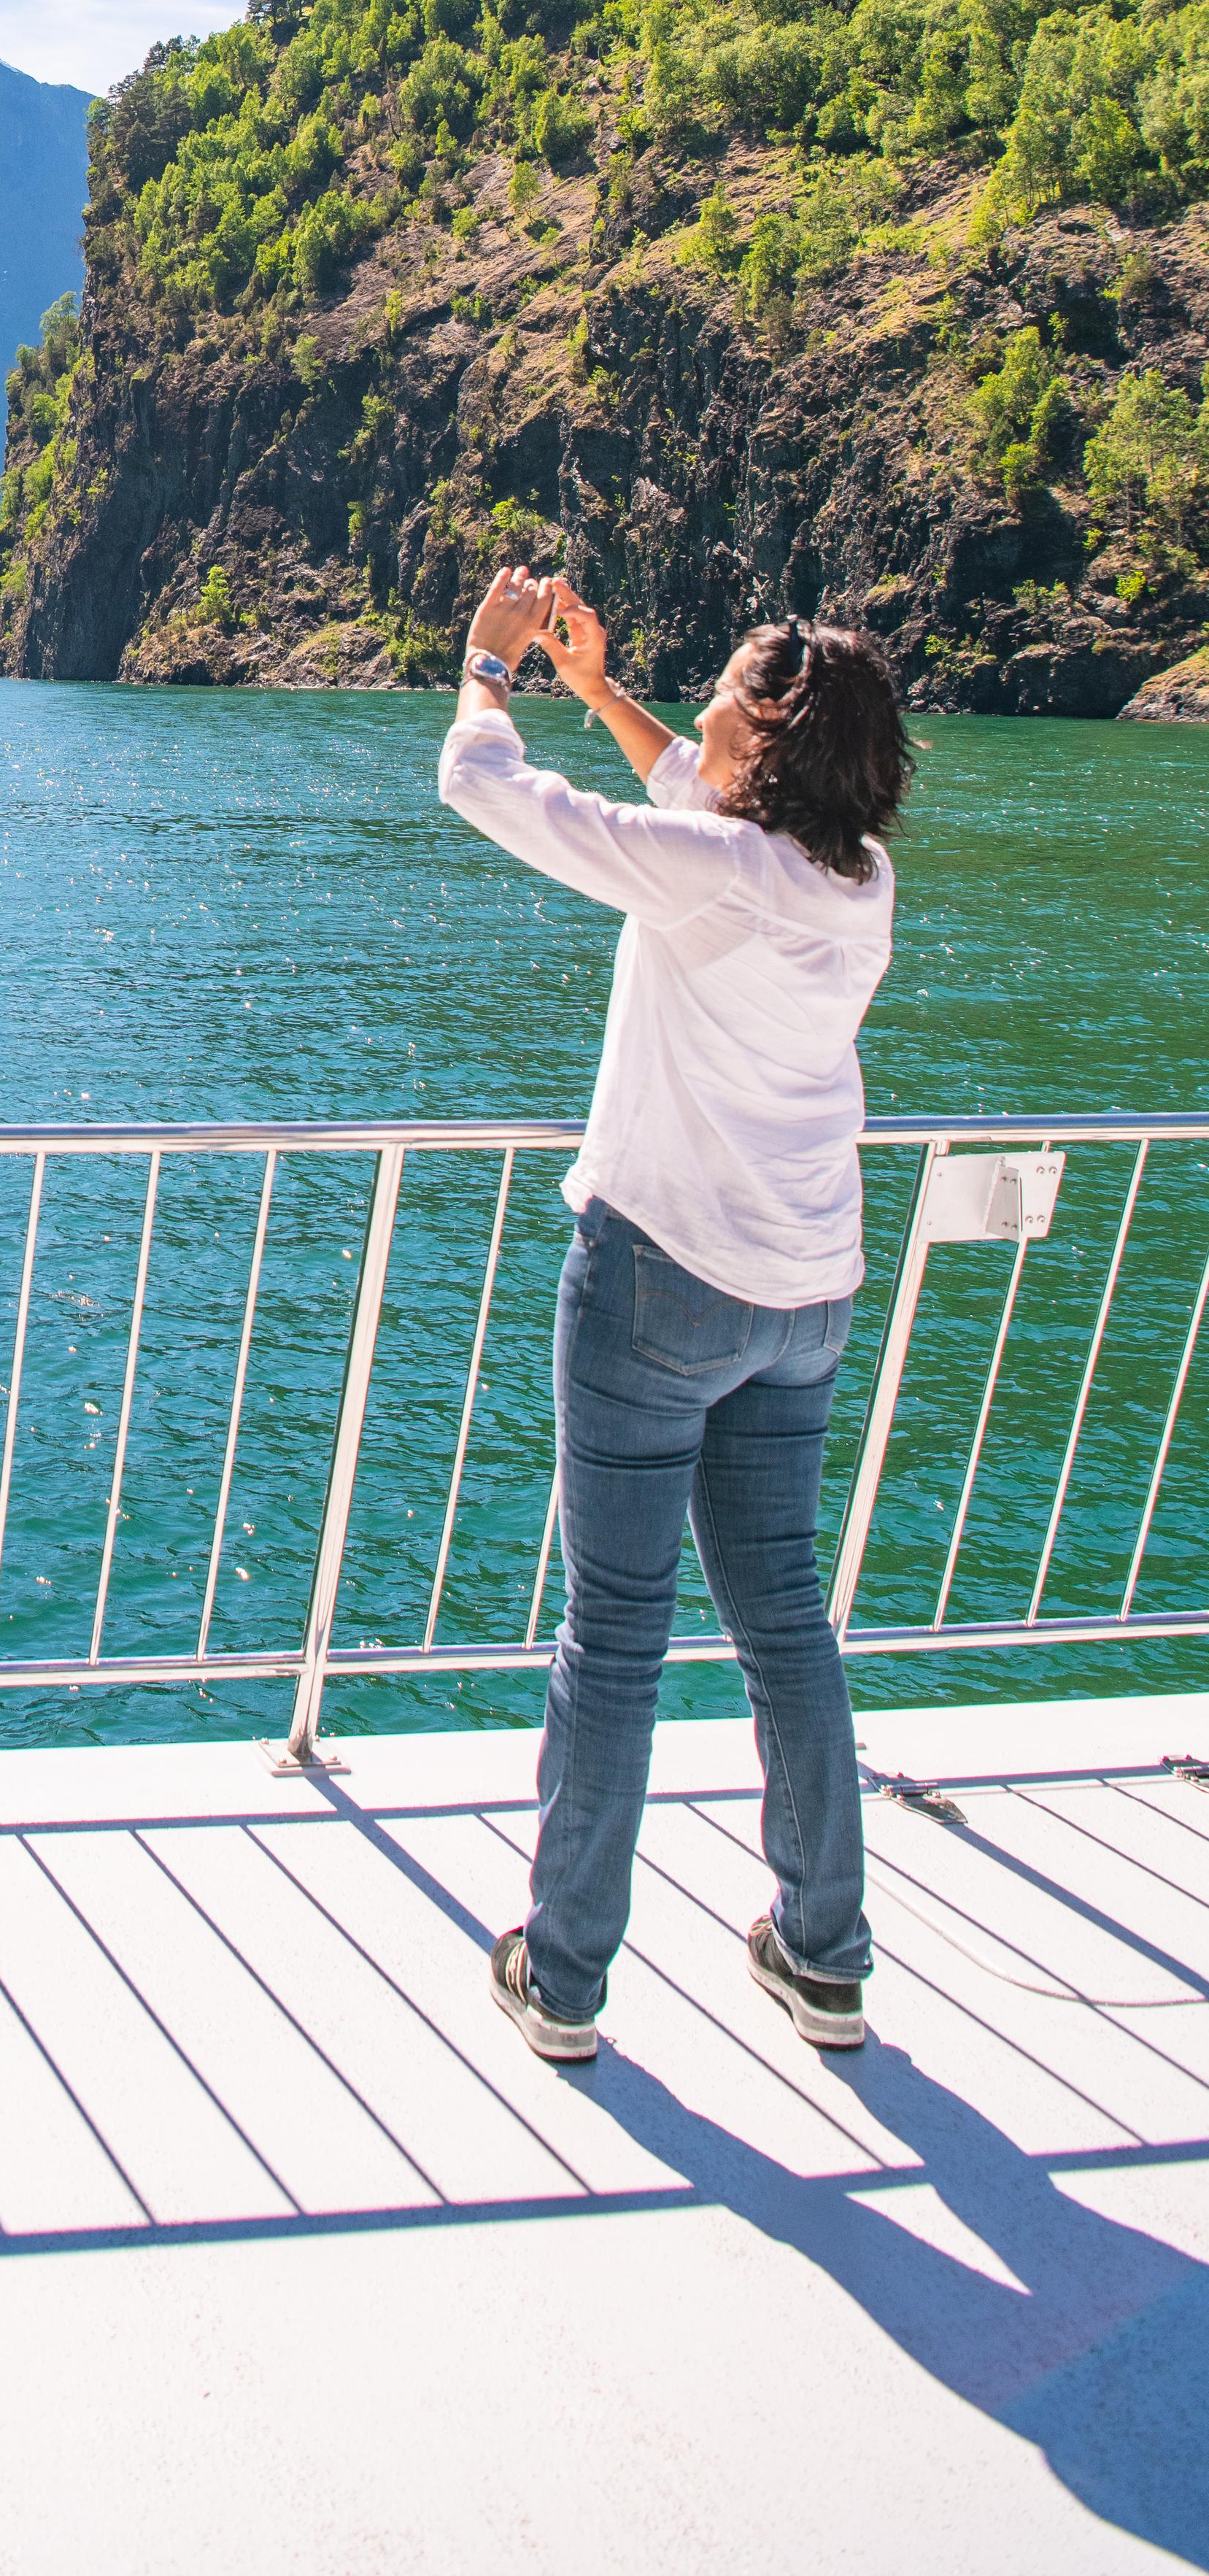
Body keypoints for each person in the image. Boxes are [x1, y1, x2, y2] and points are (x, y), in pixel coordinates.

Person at [438, 564, 913, 2065]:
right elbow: (689, 789)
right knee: (785, 1624)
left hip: (659, 1290)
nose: (700, 698)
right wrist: (600, 683)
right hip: (806, 1299)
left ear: (766, 732)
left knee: (616, 1641)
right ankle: (824, 1956)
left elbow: (484, 786)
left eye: (723, 682)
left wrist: (495, 664)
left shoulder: (716, 875)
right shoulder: (851, 883)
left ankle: (563, 1974)